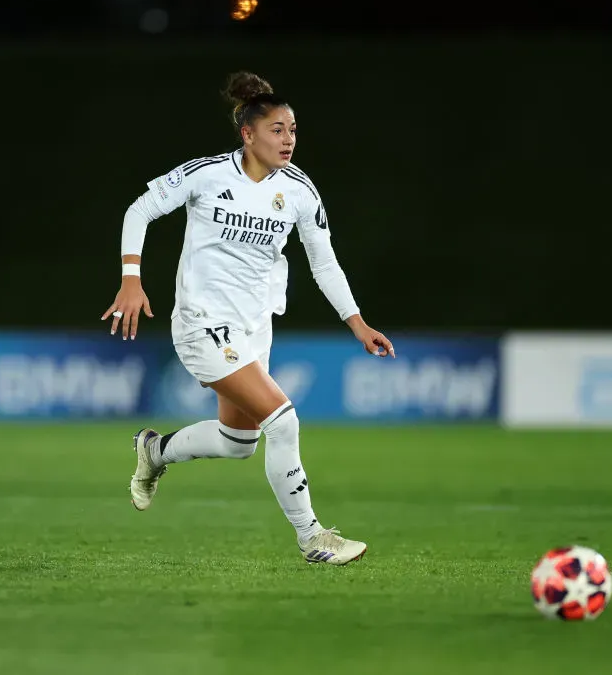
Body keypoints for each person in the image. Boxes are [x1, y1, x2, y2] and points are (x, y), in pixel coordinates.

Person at [101, 71, 395, 566]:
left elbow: (324, 263)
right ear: (248, 134)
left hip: (254, 327)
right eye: (277, 130)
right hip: (201, 321)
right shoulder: (207, 174)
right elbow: (140, 210)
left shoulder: (299, 190)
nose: (288, 139)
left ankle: (155, 451)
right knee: (283, 420)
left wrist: (357, 323)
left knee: (239, 441)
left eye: (293, 130)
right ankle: (313, 538)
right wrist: (132, 278)